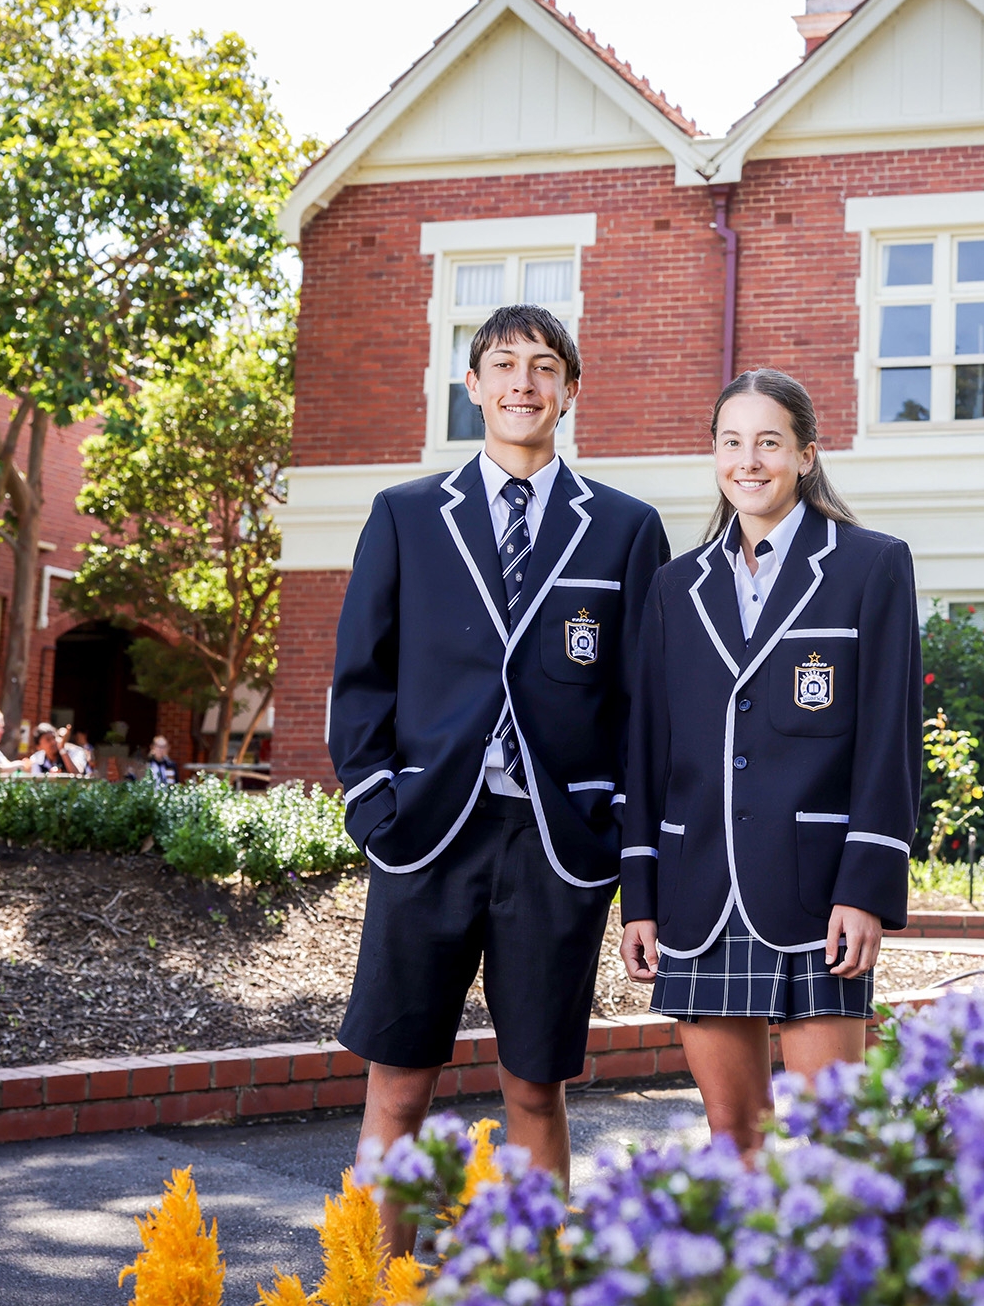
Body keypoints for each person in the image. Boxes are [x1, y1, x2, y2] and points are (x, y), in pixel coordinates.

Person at [331, 303, 670, 1255]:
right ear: (472, 385)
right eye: (503, 365)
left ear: (570, 390)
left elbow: (646, 706)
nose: (523, 382)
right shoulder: (404, 515)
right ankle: (378, 1278)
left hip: (556, 843)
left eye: (544, 366)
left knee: (535, 1083)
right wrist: (374, 804)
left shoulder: (626, 529)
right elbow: (360, 676)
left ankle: (531, 1276)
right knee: (397, 1082)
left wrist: (618, 831)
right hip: (426, 833)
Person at [619, 368, 922, 1156]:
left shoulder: (871, 566)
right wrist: (641, 896)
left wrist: (866, 889)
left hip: (820, 894)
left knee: (834, 1143)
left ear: (807, 454)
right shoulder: (673, 587)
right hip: (700, 893)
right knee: (734, 1138)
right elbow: (647, 747)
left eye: (768, 442)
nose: (747, 460)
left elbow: (890, 742)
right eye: (730, 442)